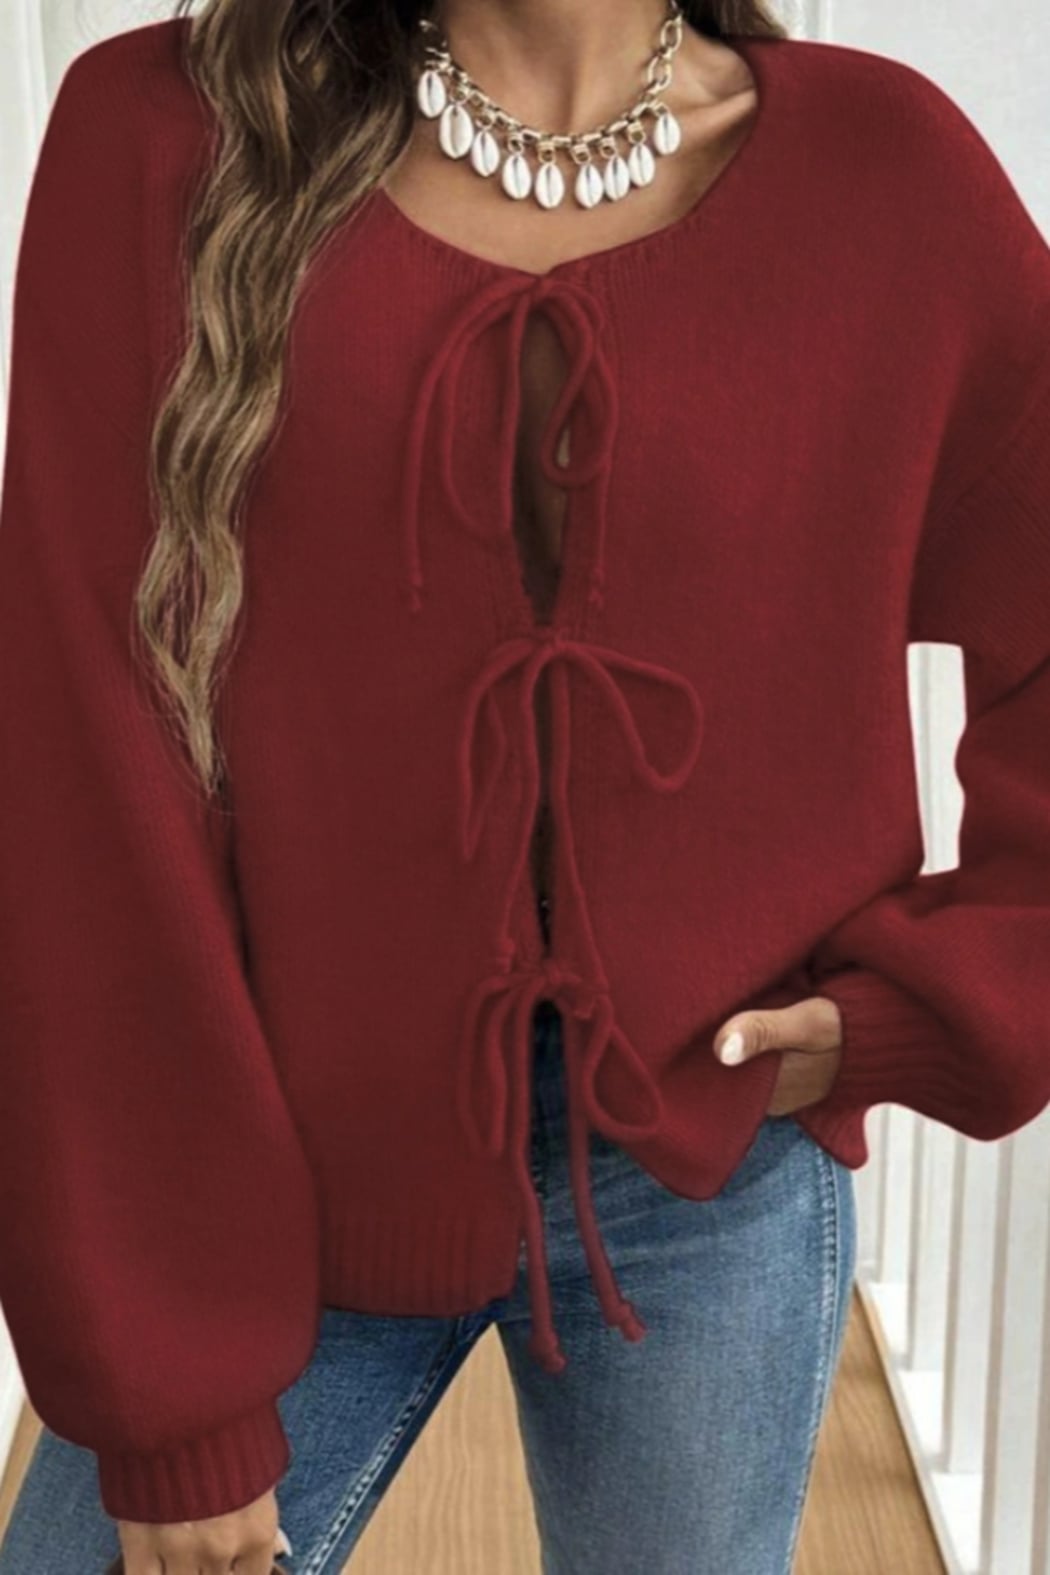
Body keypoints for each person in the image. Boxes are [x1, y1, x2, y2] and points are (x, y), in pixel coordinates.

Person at [0, 1, 1047, 1570]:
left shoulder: (885, 172)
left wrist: (937, 1001)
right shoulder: (163, 130)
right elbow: (81, 763)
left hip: (710, 1170)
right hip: (255, 1166)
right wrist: (169, 1398)